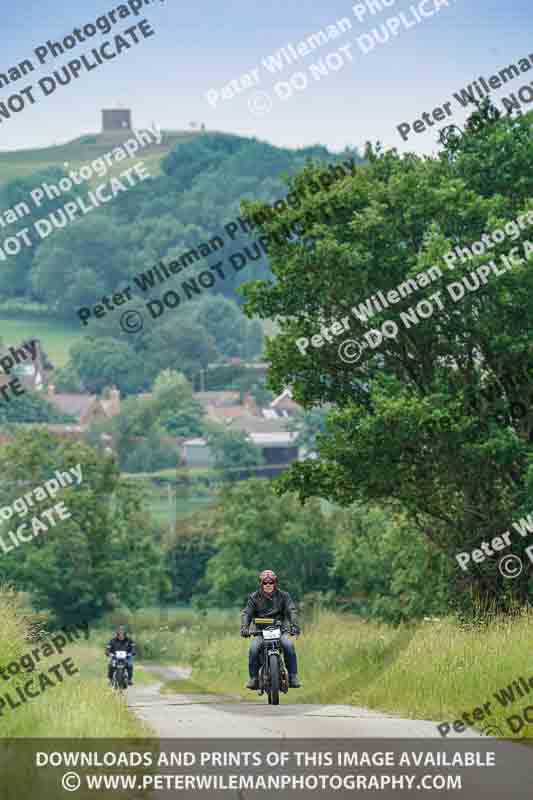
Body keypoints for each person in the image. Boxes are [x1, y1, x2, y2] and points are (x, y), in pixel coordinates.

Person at [240, 569, 301, 689]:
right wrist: (244, 627)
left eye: (271, 582)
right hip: (261, 632)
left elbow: (291, 610)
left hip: (280, 630)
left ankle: (293, 676)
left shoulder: (284, 596)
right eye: (265, 583)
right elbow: (247, 613)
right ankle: (254, 679)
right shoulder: (254, 597)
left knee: (288, 645)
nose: (268, 585)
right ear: (261, 584)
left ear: (275, 583)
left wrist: (294, 625)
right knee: (254, 649)